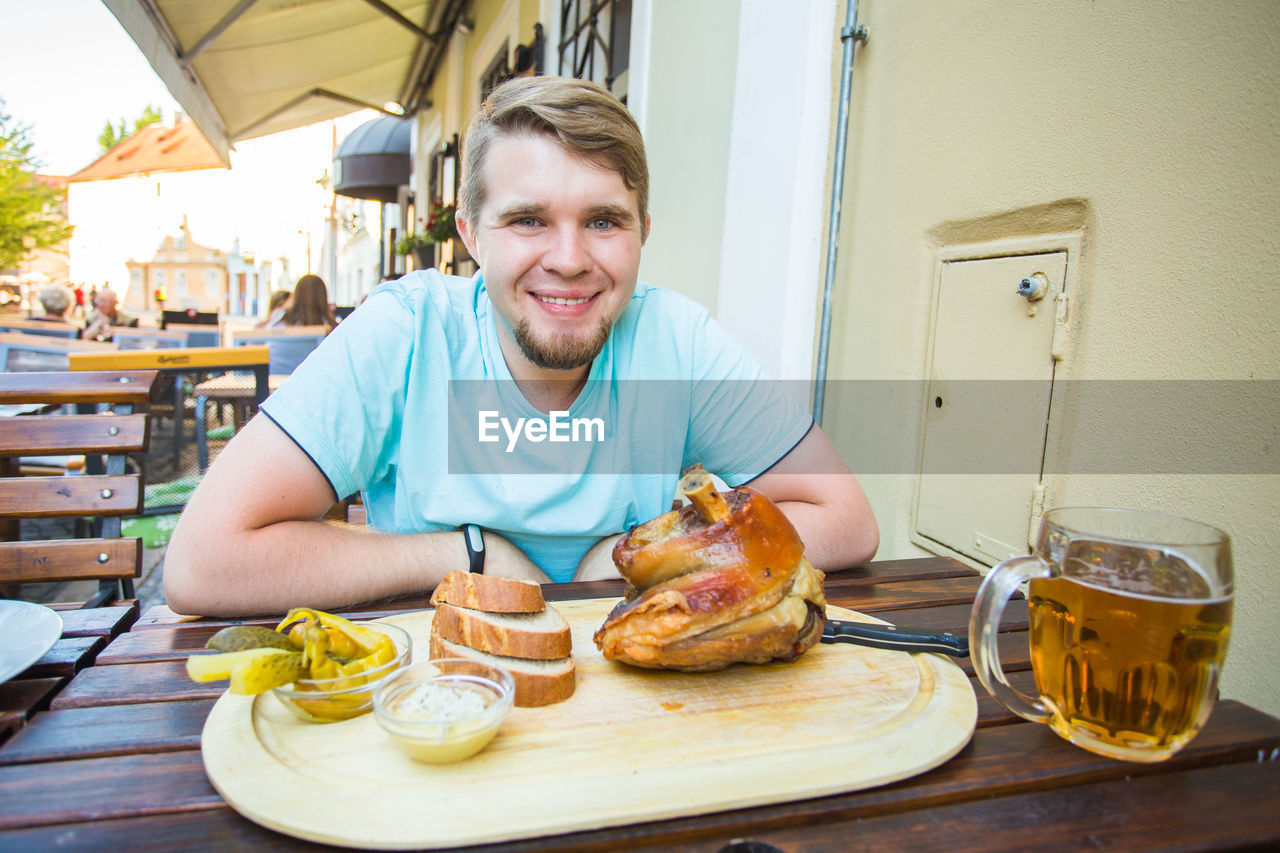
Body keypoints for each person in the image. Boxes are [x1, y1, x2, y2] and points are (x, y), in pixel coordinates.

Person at [164, 76, 878, 617]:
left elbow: (846, 519)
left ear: (643, 232)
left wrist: (647, 557)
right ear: (470, 234)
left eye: (603, 220)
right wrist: (471, 555)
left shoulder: (675, 339)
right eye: (529, 220)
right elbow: (201, 561)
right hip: (438, 705)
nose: (569, 259)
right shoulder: (407, 331)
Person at [266, 274, 336, 330]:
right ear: (323, 296)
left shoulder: (280, 320)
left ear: (296, 294)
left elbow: (265, 339)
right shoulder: (331, 327)